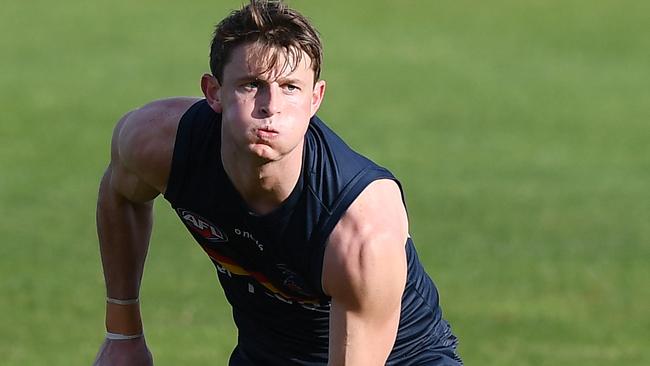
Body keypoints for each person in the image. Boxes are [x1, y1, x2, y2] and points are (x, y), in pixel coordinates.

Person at [93, 1, 462, 365]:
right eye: (252, 85)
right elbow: (121, 195)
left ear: (315, 99)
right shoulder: (158, 144)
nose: (271, 106)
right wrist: (123, 337)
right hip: (268, 353)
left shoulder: (360, 230)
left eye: (290, 87)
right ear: (213, 92)